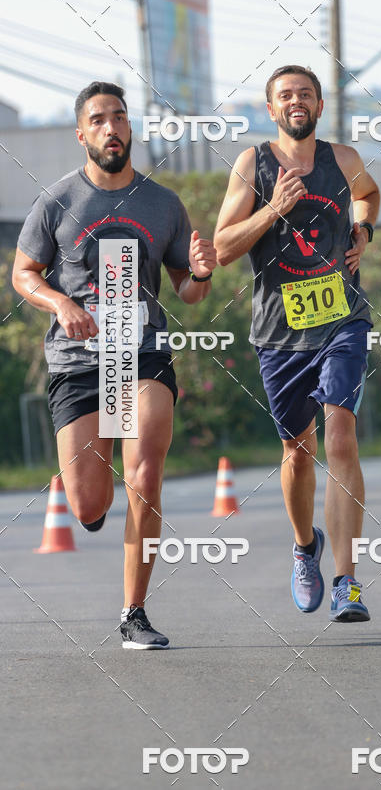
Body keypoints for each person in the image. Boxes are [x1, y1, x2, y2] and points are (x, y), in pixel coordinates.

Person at [12, 81, 216, 649]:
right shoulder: (57, 201)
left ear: (131, 129)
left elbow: (188, 291)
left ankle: (134, 612)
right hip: (77, 363)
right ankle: (95, 500)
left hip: (142, 353)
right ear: (82, 134)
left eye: (120, 117)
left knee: (146, 473)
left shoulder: (163, 204)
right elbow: (23, 273)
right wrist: (61, 303)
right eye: (99, 119)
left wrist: (199, 272)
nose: (111, 127)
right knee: (87, 503)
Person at [214, 65, 380, 621]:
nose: (296, 102)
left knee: (340, 437)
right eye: (285, 95)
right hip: (280, 334)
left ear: (320, 104)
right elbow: (222, 247)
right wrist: (274, 209)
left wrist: (364, 229)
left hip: (342, 320)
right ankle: (305, 547)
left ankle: (347, 582)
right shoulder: (252, 164)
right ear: (271, 109)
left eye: (305, 93)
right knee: (297, 451)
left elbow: (369, 195)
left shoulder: (345, 160)